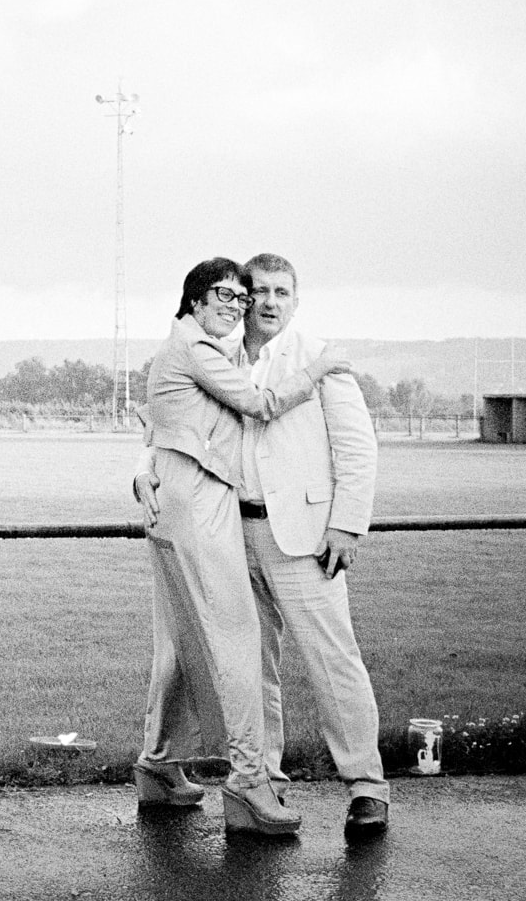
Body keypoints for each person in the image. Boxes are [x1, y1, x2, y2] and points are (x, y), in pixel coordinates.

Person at [132, 257, 349, 837]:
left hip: (180, 500)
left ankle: (158, 766)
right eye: (222, 295)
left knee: (180, 640)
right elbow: (262, 405)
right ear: (194, 301)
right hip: (199, 505)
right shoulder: (198, 350)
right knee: (236, 638)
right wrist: (322, 367)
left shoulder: (195, 347)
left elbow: (160, 420)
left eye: (239, 297)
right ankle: (250, 786)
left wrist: (146, 464)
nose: (235, 305)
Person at [237, 252, 388, 840]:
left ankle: (366, 788)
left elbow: (357, 448)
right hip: (232, 536)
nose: (270, 301)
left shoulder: (322, 360)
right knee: (252, 667)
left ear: (295, 301)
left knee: (333, 661)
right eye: (259, 290)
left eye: (282, 291)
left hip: (305, 540)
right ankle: (264, 784)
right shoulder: (220, 354)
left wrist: (346, 525)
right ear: (242, 297)